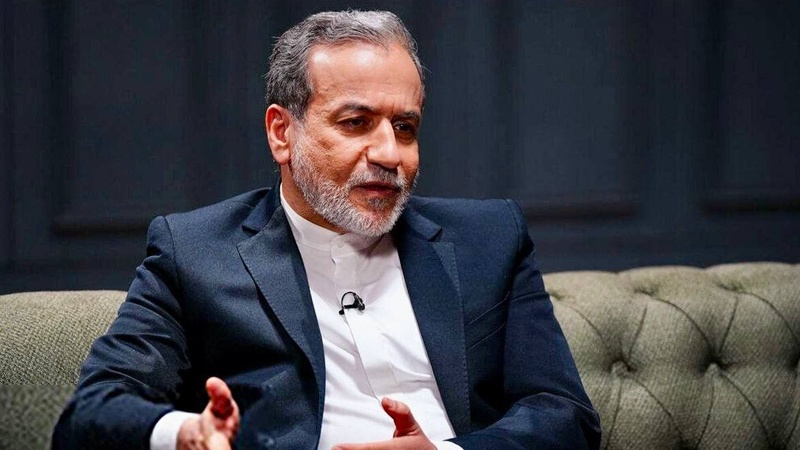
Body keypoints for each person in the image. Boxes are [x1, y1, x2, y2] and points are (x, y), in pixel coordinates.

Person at [52, 10, 600, 450]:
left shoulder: (491, 237)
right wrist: (187, 434)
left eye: (405, 127)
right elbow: (92, 413)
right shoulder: (195, 253)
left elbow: (564, 413)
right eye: (355, 123)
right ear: (282, 133)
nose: (389, 153)